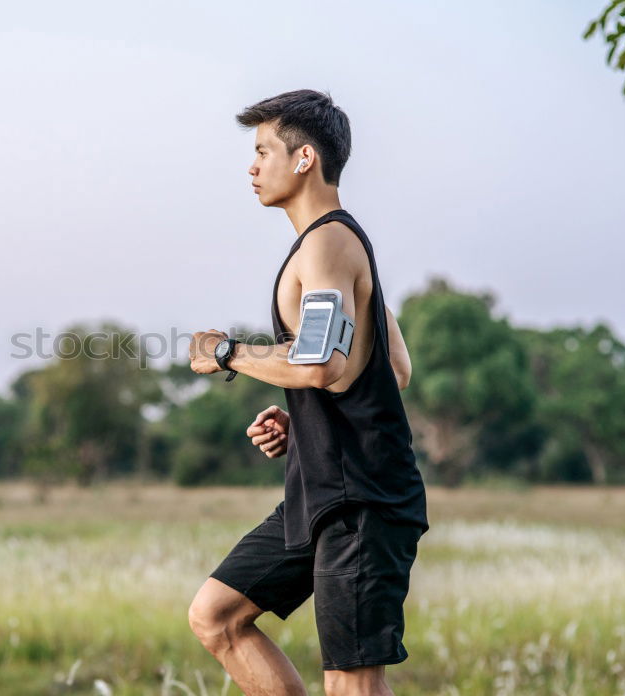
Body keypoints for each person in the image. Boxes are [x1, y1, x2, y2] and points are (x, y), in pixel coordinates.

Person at [186, 89, 429, 696]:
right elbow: (391, 367)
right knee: (216, 616)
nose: (252, 166)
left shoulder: (327, 243)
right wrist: (307, 422)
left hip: (360, 499)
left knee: (349, 681)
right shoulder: (337, 246)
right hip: (320, 487)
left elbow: (321, 364)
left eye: (263, 150)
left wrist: (227, 354)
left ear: (304, 159)